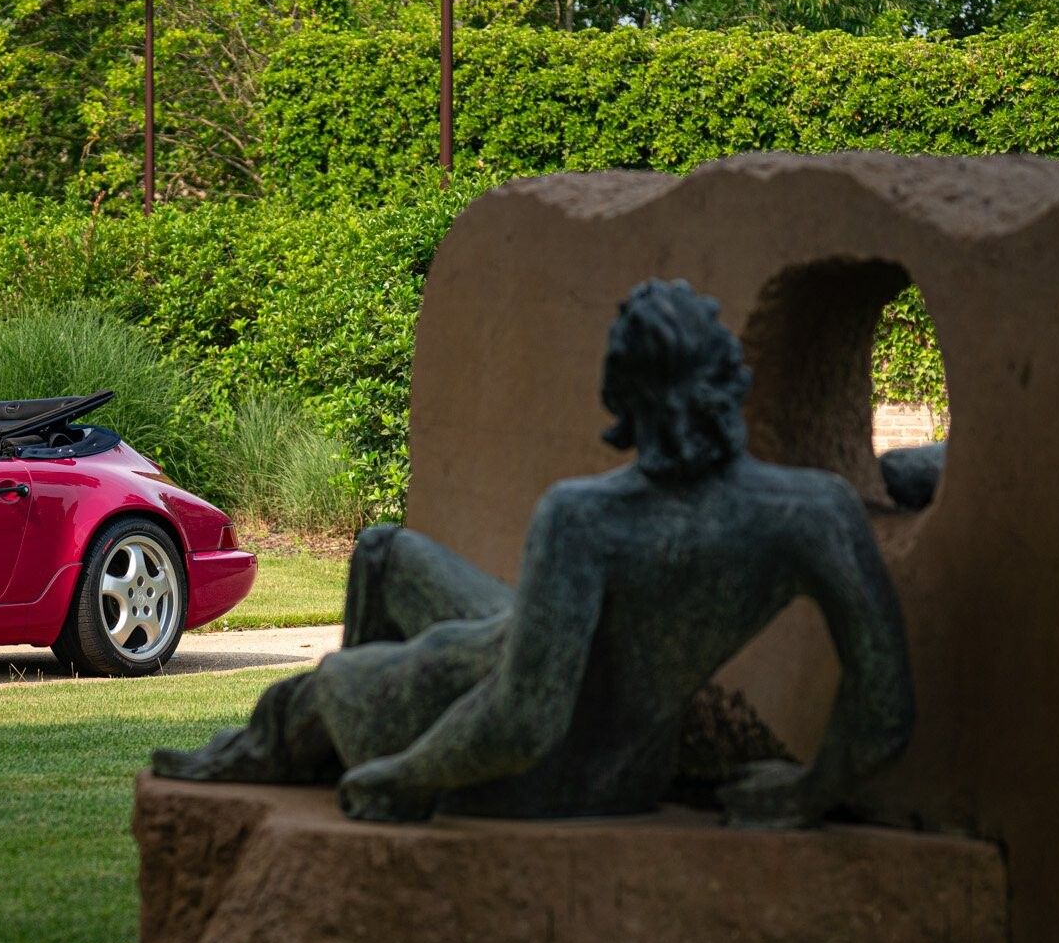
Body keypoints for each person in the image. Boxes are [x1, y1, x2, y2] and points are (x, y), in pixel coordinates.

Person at [153, 278, 915, 827]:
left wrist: (404, 776)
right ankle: (339, 745)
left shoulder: (589, 516)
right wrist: (810, 790)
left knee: (317, 691)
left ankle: (284, 751)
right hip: (622, 756)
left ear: (622, 397)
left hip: (537, 778)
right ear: (727, 382)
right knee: (385, 554)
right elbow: (885, 710)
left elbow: (525, 718)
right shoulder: (814, 510)